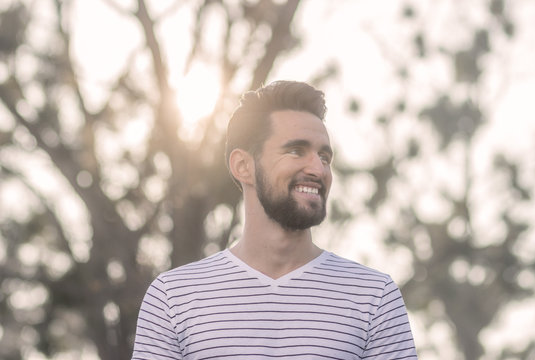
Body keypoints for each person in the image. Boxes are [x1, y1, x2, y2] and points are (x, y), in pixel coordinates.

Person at [131, 80, 418, 359]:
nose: (318, 169)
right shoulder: (173, 298)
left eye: (324, 157)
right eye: (296, 151)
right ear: (243, 166)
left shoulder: (373, 297)